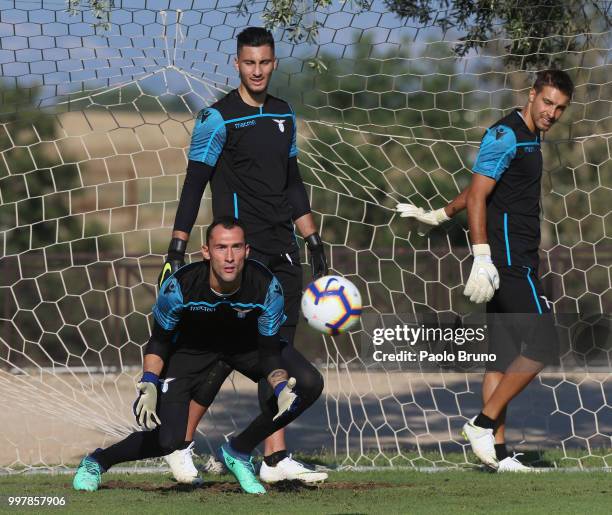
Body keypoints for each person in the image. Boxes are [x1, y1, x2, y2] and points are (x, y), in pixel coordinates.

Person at [158, 26, 329, 484]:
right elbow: (194, 184)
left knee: (278, 352)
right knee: (222, 354)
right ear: (237, 64)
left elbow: (293, 182)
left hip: (283, 252)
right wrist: (177, 246)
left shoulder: (284, 114)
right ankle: (179, 442)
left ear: (274, 64)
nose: (257, 70)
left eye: (265, 62)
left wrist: (312, 239)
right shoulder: (217, 118)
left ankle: (274, 459)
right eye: (249, 62)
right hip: (240, 258)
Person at [396, 69, 573, 471]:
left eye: (559, 108)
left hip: (518, 258)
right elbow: (480, 195)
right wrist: (481, 255)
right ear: (531, 95)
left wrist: (441, 213)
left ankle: (498, 451)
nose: (552, 113)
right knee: (543, 344)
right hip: (507, 263)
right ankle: (482, 423)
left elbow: (482, 185)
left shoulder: (530, 136)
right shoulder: (505, 133)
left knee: (502, 357)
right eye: (547, 102)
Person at [73, 218, 324, 494]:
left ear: (247, 251)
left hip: (244, 346)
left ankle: (238, 450)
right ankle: (96, 461)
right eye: (221, 247)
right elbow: (159, 342)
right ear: (206, 251)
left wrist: (279, 386)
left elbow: (268, 352)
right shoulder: (180, 287)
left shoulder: (266, 286)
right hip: (191, 352)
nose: (229, 257)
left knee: (309, 383)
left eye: (236, 247)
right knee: (169, 440)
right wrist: (149, 382)